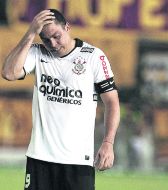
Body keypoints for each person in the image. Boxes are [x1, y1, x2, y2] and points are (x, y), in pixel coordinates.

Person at [1, 9, 120, 190]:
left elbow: (111, 102)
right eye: (46, 39)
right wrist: (30, 32)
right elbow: (9, 73)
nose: (53, 44)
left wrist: (108, 143)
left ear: (67, 27)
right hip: (40, 159)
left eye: (57, 36)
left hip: (78, 161)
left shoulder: (93, 57)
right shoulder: (37, 53)